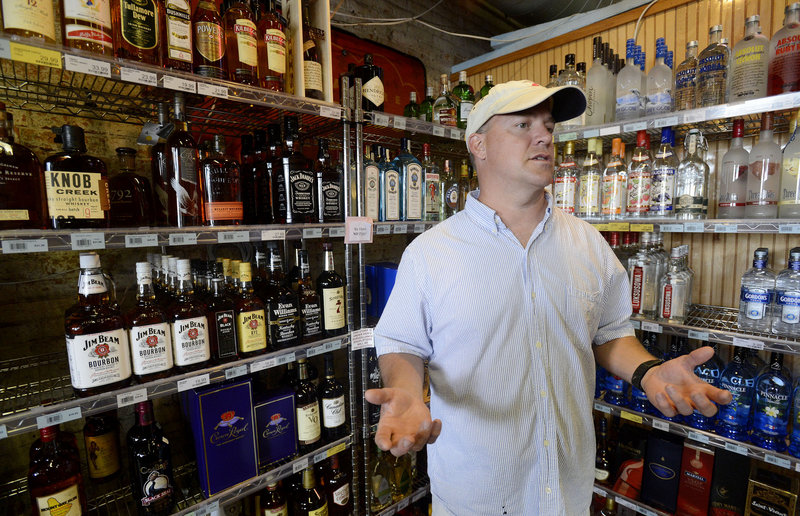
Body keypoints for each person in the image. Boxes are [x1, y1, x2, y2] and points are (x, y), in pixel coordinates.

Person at [364, 80, 732, 515]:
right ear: (477, 144)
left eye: (549, 126)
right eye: (523, 124)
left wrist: (648, 371)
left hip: (568, 492)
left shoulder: (588, 243)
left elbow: (609, 332)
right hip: (476, 496)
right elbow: (403, 342)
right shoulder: (430, 253)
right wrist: (407, 392)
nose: (543, 136)